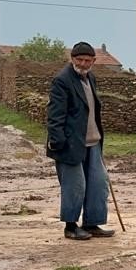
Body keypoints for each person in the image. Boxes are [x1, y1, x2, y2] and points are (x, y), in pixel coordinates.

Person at [46, 42, 113, 240]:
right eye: (79, 60)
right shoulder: (62, 80)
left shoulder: (90, 78)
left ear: (93, 61)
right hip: (70, 144)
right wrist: (58, 143)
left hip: (93, 142)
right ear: (72, 59)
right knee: (75, 187)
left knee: (98, 184)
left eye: (87, 60)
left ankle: (92, 223)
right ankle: (71, 226)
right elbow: (55, 115)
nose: (83, 64)